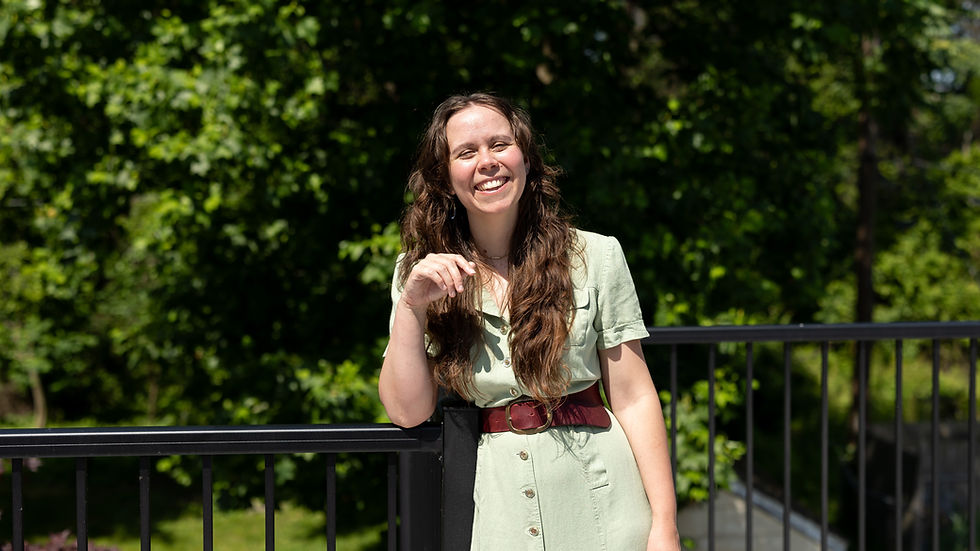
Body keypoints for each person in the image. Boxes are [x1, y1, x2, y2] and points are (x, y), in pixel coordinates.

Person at [379, 92, 680, 550]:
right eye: (466, 152)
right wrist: (412, 306)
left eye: (500, 144)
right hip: (497, 509)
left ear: (525, 157)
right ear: (444, 178)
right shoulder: (418, 274)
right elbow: (407, 411)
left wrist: (665, 525)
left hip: (603, 500)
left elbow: (635, 398)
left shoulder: (596, 256)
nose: (487, 162)